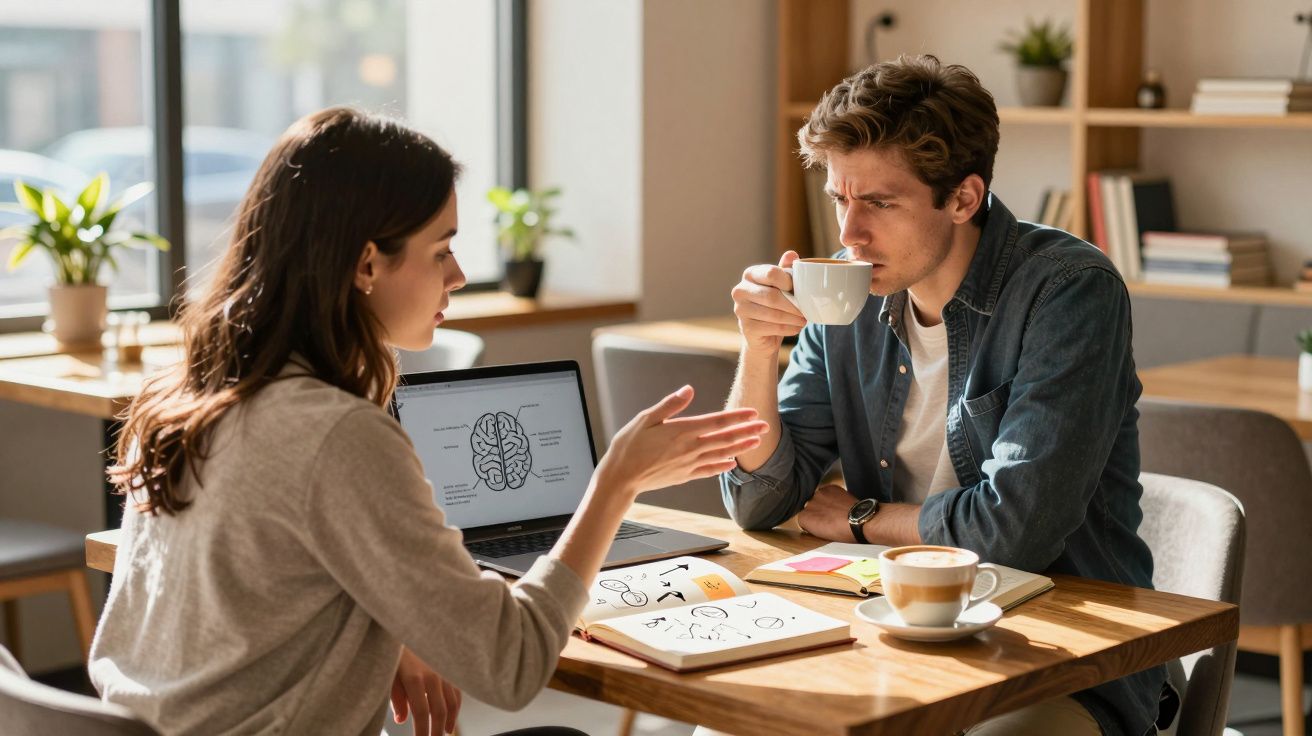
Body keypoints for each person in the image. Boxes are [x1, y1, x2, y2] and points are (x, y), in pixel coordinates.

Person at [90, 106, 768, 736]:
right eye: (441, 249)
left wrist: (389, 625)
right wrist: (614, 486)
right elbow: (511, 663)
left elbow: (251, 599)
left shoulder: (189, 396)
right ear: (365, 264)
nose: (461, 274)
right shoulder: (336, 434)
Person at [721, 56, 1163, 736]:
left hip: (1060, 652)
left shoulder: (1068, 290)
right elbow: (758, 502)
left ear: (962, 197)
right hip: (885, 631)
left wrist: (864, 519)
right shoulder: (848, 292)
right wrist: (757, 350)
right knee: (727, 721)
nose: (848, 234)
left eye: (879, 203)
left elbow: (1014, 533)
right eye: (840, 199)